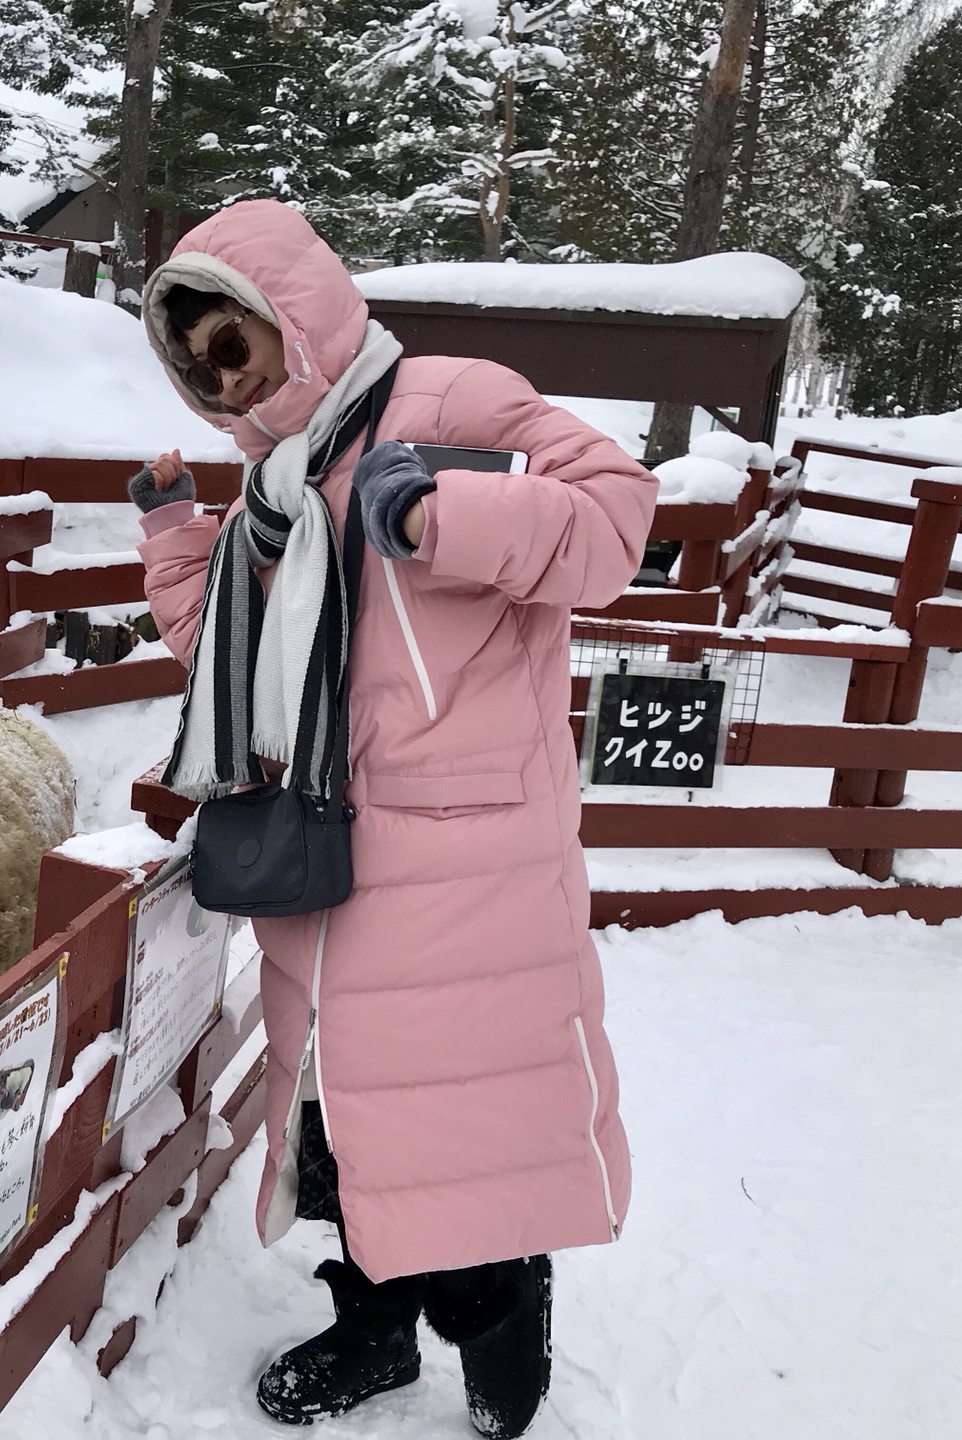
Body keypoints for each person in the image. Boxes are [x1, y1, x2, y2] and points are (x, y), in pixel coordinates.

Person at [128, 199, 656, 1437]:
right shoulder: (268, 489)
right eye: (192, 359)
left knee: (464, 1134)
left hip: (468, 863)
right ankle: (372, 1334)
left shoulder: (455, 400)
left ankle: (499, 1334)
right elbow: (229, 670)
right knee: (344, 1135)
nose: (219, 373)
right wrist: (175, 548)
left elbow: (616, 524)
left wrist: (441, 520)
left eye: (232, 338)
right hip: (328, 864)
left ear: (290, 313)